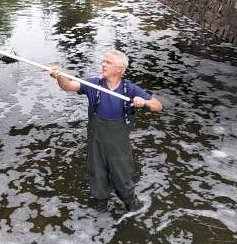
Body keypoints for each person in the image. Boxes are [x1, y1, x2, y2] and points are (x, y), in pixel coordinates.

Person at [49, 50, 163, 213]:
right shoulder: (94, 84)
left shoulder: (129, 89)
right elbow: (68, 86)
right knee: (97, 171)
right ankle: (100, 200)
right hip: (96, 141)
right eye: (103, 61)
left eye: (108, 62)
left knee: (122, 171)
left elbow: (158, 106)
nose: (103, 64)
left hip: (119, 143)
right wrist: (59, 75)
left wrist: (143, 102)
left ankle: (129, 200)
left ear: (119, 69)